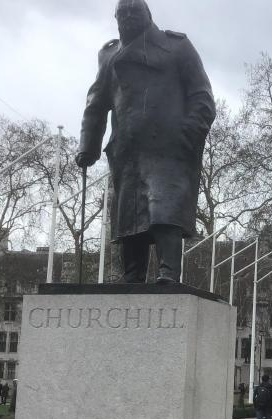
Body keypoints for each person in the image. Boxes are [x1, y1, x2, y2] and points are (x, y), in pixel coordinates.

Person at [76, 0, 215, 283]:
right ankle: (132, 275)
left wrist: (188, 133)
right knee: (130, 217)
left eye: (134, 12)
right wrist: (88, 146)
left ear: (148, 14)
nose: (127, 18)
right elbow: (96, 103)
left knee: (164, 209)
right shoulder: (109, 56)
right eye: (121, 13)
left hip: (168, 148)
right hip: (127, 150)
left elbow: (202, 97)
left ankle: (168, 272)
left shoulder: (177, 47)